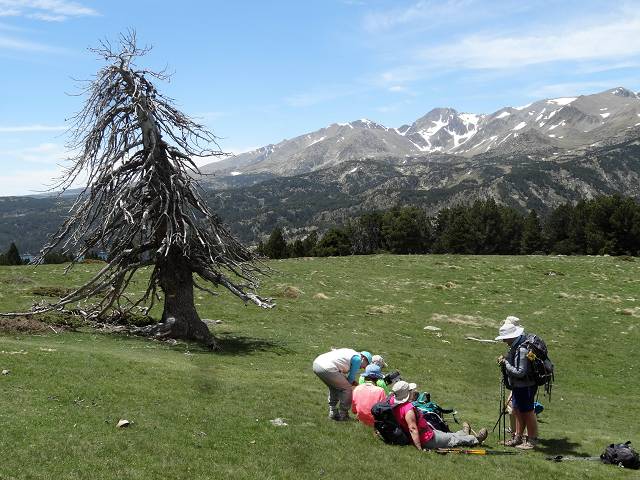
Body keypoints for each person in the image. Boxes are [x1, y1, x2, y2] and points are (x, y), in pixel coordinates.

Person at [390, 380, 487, 450]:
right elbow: (412, 429)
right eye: (410, 390)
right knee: (451, 439)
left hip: (428, 432)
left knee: (448, 435)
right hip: (427, 439)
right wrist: (419, 448)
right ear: (407, 393)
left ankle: (464, 433)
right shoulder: (408, 410)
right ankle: (475, 439)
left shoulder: (394, 403)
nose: (412, 392)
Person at [496, 321, 538, 450]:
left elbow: (520, 372)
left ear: (512, 336)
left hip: (526, 385)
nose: (504, 341)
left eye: (505, 338)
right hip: (519, 385)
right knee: (517, 411)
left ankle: (531, 441)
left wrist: (505, 363)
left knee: (528, 412)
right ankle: (517, 438)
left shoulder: (522, 349)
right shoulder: (517, 346)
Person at [313, 349, 372, 421]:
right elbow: (351, 378)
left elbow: (341, 373)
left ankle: (333, 411)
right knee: (347, 389)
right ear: (364, 358)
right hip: (327, 367)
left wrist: (350, 381)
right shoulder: (357, 359)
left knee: (334, 387)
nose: (364, 368)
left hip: (317, 364)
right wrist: (352, 383)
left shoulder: (351, 353)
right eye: (366, 365)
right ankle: (343, 415)